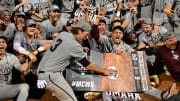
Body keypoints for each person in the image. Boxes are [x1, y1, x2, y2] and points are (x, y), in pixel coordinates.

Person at [36, 20, 116, 101]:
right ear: (79, 31)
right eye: (86, 34)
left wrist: (81, 48)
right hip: (50, 75)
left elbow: (63, 47)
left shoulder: (63, 34)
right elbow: (88, 65)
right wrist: (104, 71)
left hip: (43, 70)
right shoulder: (75, 45)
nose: (87, 37)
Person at [0, 35, 29, 101]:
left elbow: (21, 70)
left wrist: (25, 70)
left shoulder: (12, 57)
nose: (1, 44)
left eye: (3, 42)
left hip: (5, 88)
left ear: (6, 45)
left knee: (24, 87)